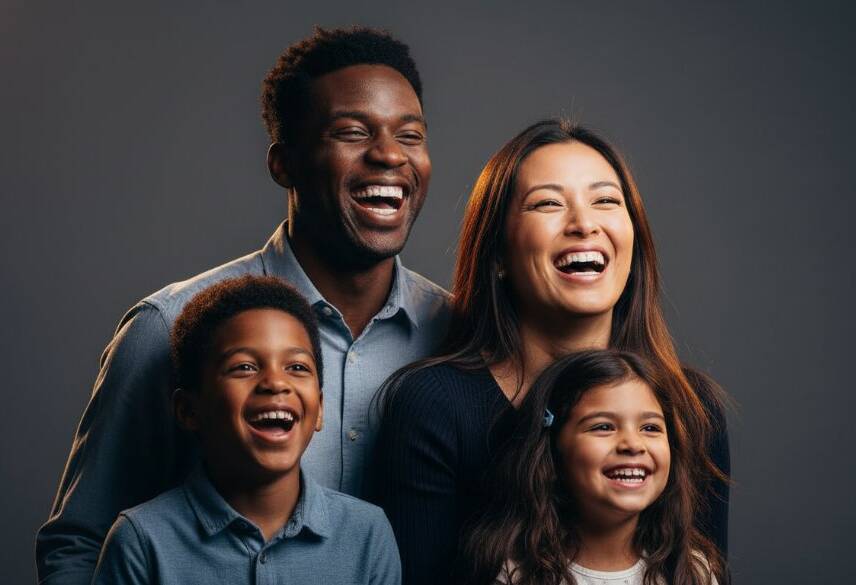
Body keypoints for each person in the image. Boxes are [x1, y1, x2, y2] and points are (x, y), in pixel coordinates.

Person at [37, 27, 449, 585]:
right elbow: (79, 545)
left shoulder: (461, 333)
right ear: (284, 164)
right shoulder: (169, 329)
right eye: (352, 132)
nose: (389, 154)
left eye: (410, 135)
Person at [370, 119, 729, 585]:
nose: (584, 224)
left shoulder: (691, 410)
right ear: (498, 254)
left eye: (605, 201)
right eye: (548, 204)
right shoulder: (435, 406)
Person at [92, 275, 401, 585]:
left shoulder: (367, 535)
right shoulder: (141, 541)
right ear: (188, 410)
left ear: (319, 408)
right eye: (244, 367)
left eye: (296, 367)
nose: (276, 383)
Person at [458, 349, 725, 585]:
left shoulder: (692, 572)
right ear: (553, 448)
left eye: (650, 428)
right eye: (603, 426)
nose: (633, 444)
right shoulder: (515, 575)